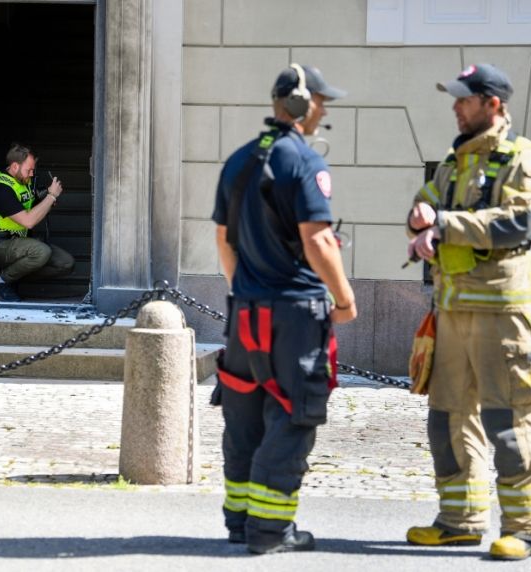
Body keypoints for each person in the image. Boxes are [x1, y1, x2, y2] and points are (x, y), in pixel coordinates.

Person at [405, 64, 531, 560]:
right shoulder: (452, 164)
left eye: (464, 99)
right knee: (447, 421)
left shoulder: (524, 160)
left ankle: (525, 528)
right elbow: (426, 204)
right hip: (453, 313)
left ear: (493, 104)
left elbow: (517, 222)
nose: (455, 107)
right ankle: (460, 521)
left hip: (505, 316)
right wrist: (418, 218)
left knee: (509, 422)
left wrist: (443, 225)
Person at [211, 64, 357, 555]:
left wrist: (246, 290)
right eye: (321, 101)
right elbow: (318, 240)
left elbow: (223, 241)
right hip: (293, 315)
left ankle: (240, 520)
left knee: (244, 415)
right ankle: (271, 529)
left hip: (245, 314)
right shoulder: (304, 162)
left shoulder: (238, 161)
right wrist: (344, 300)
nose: (324, 110)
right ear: (301, 103)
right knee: (293, 415)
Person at [0, 143, 75, 301]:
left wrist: (45, 201)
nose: (31, 174)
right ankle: (2, 282)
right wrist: (51, 197)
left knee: (66, 263)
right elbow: (28, 221)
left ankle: (13, 276)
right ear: (15, 166)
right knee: (41, 252)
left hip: (21, 243)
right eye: (28, 170)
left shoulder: (23, 181)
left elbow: (31, 204)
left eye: (32, 170)